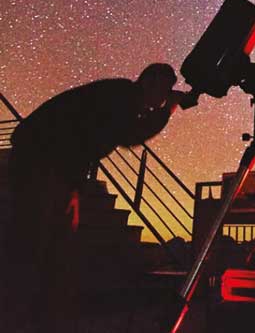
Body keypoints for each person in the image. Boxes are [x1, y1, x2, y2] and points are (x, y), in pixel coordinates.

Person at [4, 63, 180, 332]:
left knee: (53, 244)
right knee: (36, 242)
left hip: (56, 166)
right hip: (43, 162)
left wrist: (73, 185)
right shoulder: (123, 96)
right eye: (163, 91)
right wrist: (167, 112)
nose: (162, 99)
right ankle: (22, 315)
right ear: (150, 81)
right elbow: (131, 135)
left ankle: (39, 314)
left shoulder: (120, 94)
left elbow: (91, 138)